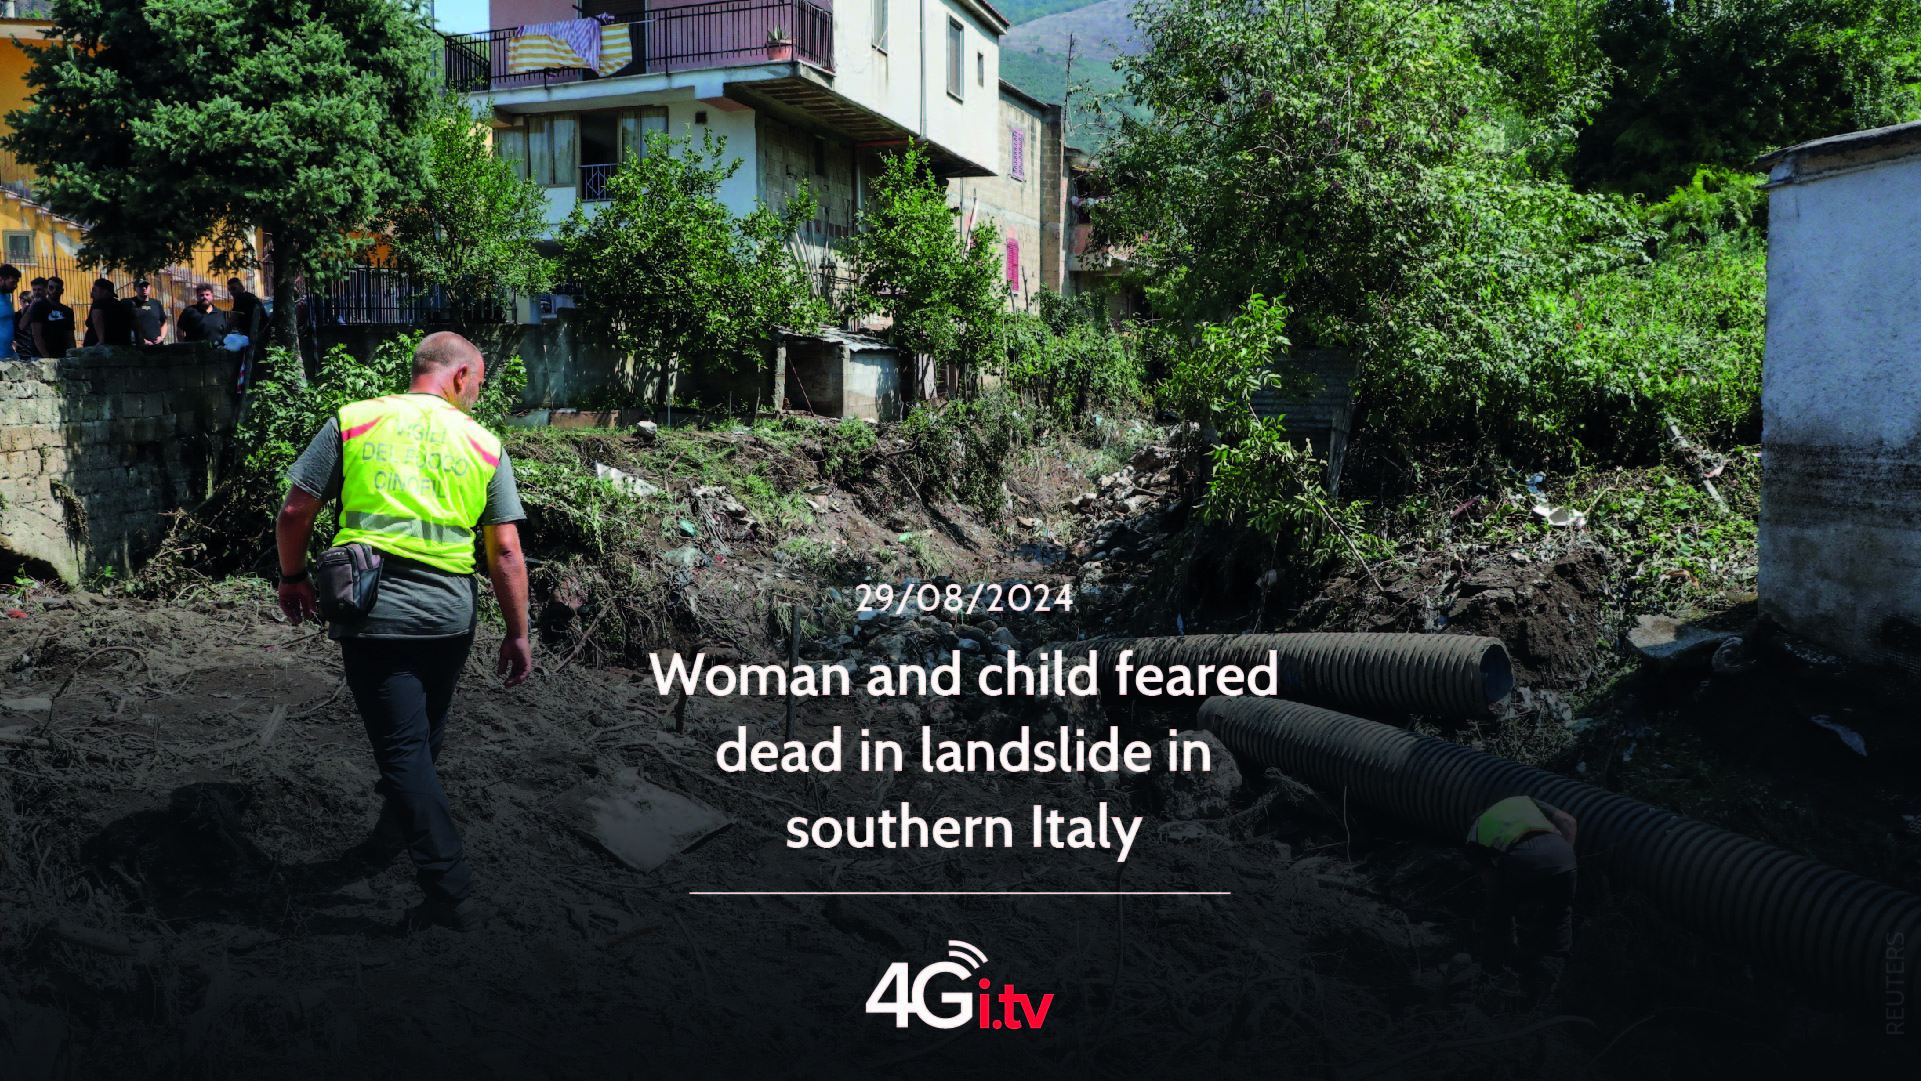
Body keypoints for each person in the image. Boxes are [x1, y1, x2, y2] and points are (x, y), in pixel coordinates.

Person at [274, 332, 531, 933]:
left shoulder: (355, 421)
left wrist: (292, 577)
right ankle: (394, 836)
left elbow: (293, 513)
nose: (477, 396)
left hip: (374, 613)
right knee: (421, 745)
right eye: (480, 385)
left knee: (403, 753)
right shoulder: (485, 444)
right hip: (449, 619)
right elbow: (508, 553)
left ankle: (450, 891)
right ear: (462, 375)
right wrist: (518, 633)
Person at [1467, 795, 1578, 994]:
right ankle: (1543, 991)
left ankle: (1490, 982)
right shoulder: (1523, 801)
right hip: (1564, 857)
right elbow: (1569, 822)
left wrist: (1510, 931)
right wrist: (1559, 866)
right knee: (1559, 919)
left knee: (1495, 922)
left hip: (1520, 860)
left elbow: (1492, 886)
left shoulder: (1474, 834)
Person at [27, 276, 76, 358]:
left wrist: (73, 355)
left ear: (62, 291)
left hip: (62, 355)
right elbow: (36, 334)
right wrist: (47, 357)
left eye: (58, 288)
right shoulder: (38, 307)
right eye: (51, 288)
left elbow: (70, 337)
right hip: (41, 357)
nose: (54, 291)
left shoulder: (68, 311)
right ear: (46, 289)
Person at [83, 278, 135, 348]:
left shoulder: (99, 303)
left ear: (104, 292)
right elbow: (135, 322)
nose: (91, 293)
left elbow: (97, 316)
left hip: (101, 348)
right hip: (122, 345)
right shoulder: (122, 306)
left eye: (94, 290)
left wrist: (101, 341)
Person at [128, 279, 168, 345]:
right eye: (141, 286)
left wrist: (162, 337)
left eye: (146, 286)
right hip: (138, 345)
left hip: (157, 345)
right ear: (135, 289)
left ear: (149, 288)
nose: (144, 288)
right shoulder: (131, 303)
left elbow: (163, 322)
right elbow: (127, 325)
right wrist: (142, 340)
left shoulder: (156, 303)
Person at [14, 277, 43, 358]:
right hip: (22, 353)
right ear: (20, 301)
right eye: (24, 301)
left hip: (35, 351)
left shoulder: (36, 312)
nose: (27, 304)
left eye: (29, 301)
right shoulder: (15, 316)